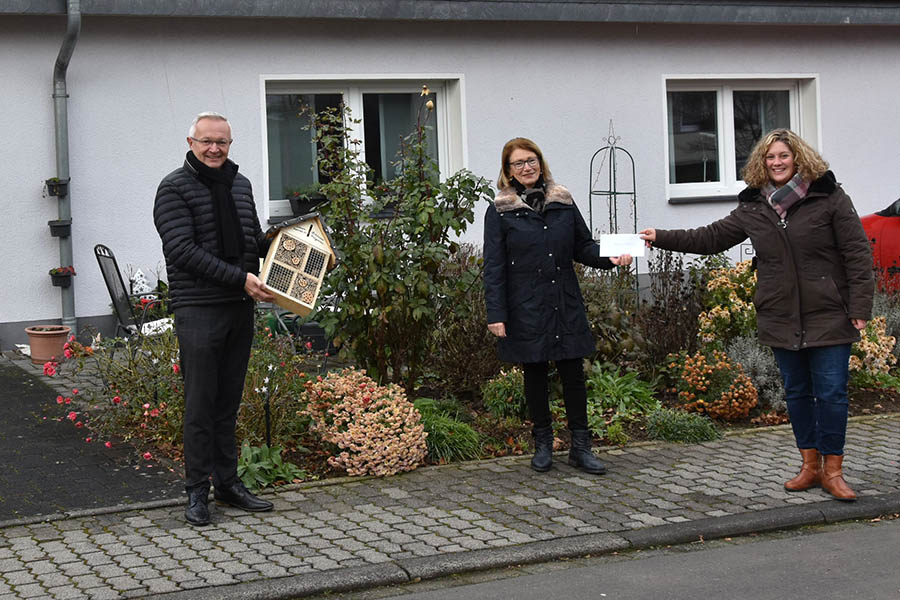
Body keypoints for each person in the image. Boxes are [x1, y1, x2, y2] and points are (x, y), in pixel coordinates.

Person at [640, 129, 874, 501]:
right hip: (780, 316)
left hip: (829, 314)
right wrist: (660, 235)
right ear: (761, 164)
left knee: (831, 394)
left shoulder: (829, 198)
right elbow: (710, 237)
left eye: (784, 156)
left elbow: (858, 254)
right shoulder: (754, 207)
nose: (777, 163)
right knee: (797, 393)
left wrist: (860, 307)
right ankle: (809, 466)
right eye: (770, 158)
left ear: (797, 159)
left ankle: (834, 471)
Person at [154, 112, 276, 525]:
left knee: (227, 402)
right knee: (200, 404)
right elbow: (183, 252)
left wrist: (292, 244)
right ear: (190, 141)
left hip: (238, 309)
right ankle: (196, 493)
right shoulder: (173, 188)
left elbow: (251, 242)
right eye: (206, 141)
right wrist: (241, 279)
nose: (214, 149)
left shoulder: (240, 185)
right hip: (199, 309)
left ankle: (227, 483)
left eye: (222, 142)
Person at [483, 137, 633, 474]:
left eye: (531, 160)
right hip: (525, 304)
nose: (527, 167)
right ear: (507, 171)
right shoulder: (500, 210)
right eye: (518, 163)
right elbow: (493, 266)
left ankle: (581, 448)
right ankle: (543, 444)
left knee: (573, 374)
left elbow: (583, 246)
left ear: (540, 161)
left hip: (563, 300)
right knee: (535, 374)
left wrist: (611, 256)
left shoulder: (562, 201)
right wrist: (497, 314)